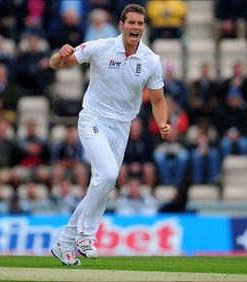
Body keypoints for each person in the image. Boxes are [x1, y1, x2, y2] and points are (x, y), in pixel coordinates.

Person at [48, 4, 171, 266]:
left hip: (121, 127)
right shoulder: (101, 47)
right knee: (108, 175)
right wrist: (60, 56)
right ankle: (86, 235)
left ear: (144, 27)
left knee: (103, 184)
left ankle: (64, 242)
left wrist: (163, 123)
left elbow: (158, 100)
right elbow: (57, 64)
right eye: (132, 23)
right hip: (93, 119)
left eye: (140, 23)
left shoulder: (151, 60)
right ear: (121, 25)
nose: (136, 27)